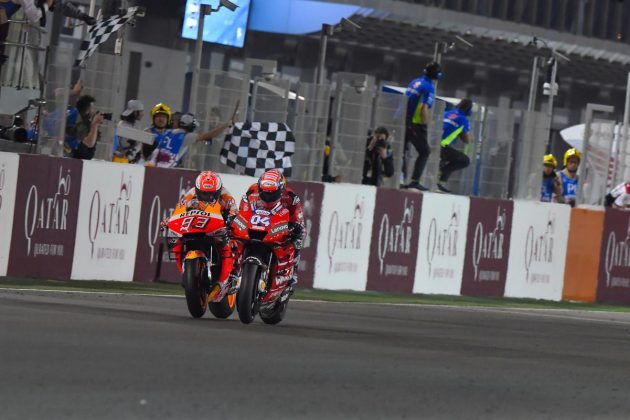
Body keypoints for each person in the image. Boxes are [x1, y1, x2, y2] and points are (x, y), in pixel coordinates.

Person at [171, 170, 238, 302]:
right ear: (197, 190)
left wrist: (230, 219)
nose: (208, 196)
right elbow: (179, 210)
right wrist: (170, 220)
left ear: (218, 190)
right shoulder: (191, 193)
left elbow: (235, 212)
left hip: (217, 226)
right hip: (197, 225)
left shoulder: (226, 196)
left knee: (232, 243)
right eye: (204, 193)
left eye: (212, 193)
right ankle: (184, 273)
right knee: (177, 240)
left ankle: (227, 278)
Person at [235, 169, 305, 287]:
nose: (267, 196)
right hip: (256, 226)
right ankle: (233, 268)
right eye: (264, 192)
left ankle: (292, 276)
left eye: (272, 193)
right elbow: (242, 211)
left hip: (278, 228)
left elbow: (298, 219)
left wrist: (295, 227)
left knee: (299, 239)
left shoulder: (291, 198)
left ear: (281, 190)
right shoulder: (251, 191)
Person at [402, 61, 443, 191]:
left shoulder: (415, 81)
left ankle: (400, 178)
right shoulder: (429, 87)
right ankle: (414, 181)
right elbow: (423, 108)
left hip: (402, 119)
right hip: (413, 123)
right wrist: (426, 123)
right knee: (425, 151)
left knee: (401, 149)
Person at [146, 112, 234, 168]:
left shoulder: (168, 132)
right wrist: (226, 125)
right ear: (191, 126)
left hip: (153, 164)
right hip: (165, 169)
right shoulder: (187, 137)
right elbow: (210, 135)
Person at [436, 99, 472, 193]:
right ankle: (441, 180)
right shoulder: (463, 119)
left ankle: (441, 171)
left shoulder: (446, 113)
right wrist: (462, 132)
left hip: (432, 142)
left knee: (448, 155)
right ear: (469, 110)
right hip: (441, 146)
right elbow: (467, 140)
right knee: (465, 160)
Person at [64, 94, 103, 160]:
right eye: (92, 108)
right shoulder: (79, 123)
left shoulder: (75, 115)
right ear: (87, 111)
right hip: (72, 157)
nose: (94, 111)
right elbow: (89, 143)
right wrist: (95, 124)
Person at [113, 99, 144, 163]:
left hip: (132, 159)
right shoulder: (123, 125)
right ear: (135, 112)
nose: (142, 114)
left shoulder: (137, 125)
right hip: (120, 159)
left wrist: (135, 150)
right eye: (141, 111)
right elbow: (120, 144)